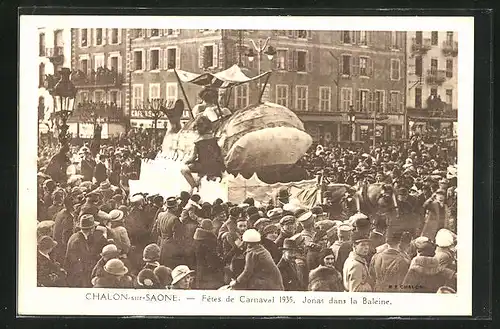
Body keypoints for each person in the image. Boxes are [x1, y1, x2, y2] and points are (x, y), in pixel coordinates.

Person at [181, 115, 226, 191]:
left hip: (203, 167)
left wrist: (187, 161)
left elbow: (193, 157)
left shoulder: (198, 142)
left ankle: (194, 187)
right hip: (217, 167)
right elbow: (221, 153)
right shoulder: (216, 139)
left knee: (184, 170)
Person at [65, 214, 108, 287]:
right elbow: (86, 259)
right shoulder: (78, 241)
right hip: (78, 275)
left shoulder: (76, 236)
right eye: (94, 227)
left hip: (75, 270)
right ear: (91, 229)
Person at [193, 219, 224, 289]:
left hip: (199, 268)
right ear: (209, 228)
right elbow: (212, 258)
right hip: (209, 271)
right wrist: (221, 261)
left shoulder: (196, 238)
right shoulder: (209, 240)